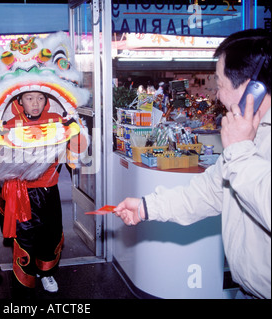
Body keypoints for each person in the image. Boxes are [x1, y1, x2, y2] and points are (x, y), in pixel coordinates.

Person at [114, 28, 270, 299]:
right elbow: (207, 192)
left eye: (220, 85)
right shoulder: (249, 132)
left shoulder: (245, 141)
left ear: (251, 88)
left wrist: (241, 150)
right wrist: (145, 207)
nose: (218, 97)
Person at [0, 91, 83, 295]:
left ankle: (46, 273)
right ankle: (24, 278)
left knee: (51, 233)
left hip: (48, 189)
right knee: (25, 236)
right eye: (29, 98)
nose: (35, 103)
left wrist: (75, 128)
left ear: (46, 100)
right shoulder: (10, 124)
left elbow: (75, 149)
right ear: (19, 101)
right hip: (22, 192)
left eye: (40, 98)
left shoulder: (56, 121)